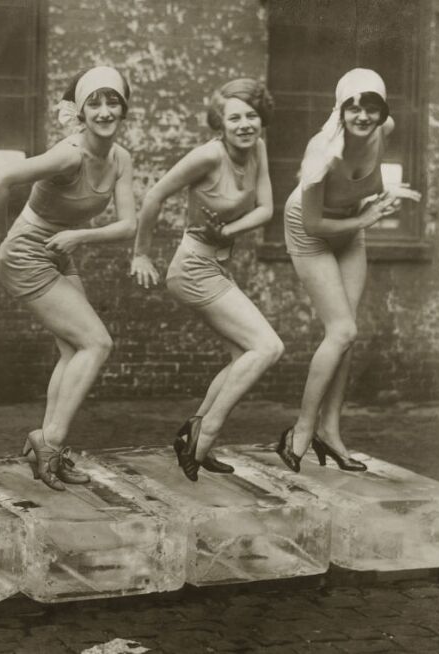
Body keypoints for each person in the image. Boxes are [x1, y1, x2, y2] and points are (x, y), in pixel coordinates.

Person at [0, 66, 137, 491]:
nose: (105, 111)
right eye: (94, 103)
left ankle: (48, 446)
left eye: (113, 101)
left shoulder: (121, 159)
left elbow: (128, 226)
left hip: (59, 250)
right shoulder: (69, 155)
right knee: (97, 342)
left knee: (73, 350)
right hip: (26, 253)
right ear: (81, 112)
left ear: (124, 107)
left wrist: (80, 236)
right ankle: (50, 441)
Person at [131, 78, 282, 482]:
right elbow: (153, 197)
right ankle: (205, 433)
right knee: (268, 347)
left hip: (216, 264)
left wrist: (228, 233)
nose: (245, 124)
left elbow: (266, 209)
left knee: (242, 356)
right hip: (193, 268)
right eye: (235, 117)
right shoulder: (207, 156)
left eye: (252, 115)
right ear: (221, 122)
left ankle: (194, 436)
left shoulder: (258, 149)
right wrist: (141, 252)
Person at [276, 68, 420, 473]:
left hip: (353, 224)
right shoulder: (321, 151)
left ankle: (330, 432)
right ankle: (301, 430)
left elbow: (372, 180)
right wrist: (368, 218)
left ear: (382, 109)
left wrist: (379, 201)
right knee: (341, 330)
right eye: (352, 106)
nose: (362, 115)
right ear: (339, 108)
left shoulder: (384, 128)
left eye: (371, 105)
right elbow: (313, 224)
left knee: (346, 334)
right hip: (311, 231)